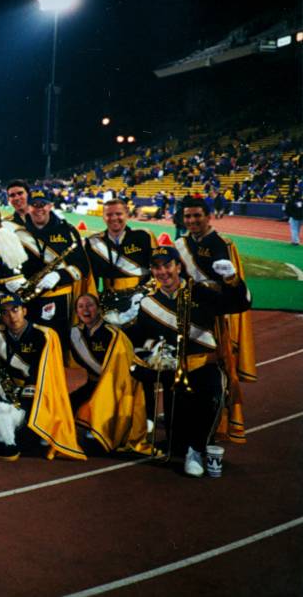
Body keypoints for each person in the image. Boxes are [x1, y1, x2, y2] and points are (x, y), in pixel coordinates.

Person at [127, 246, 251, 475]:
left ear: (178, 266)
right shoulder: (147, 303)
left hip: (204, 364)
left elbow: (239, 304)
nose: (163, 272)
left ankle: (197, 449)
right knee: (176, 440)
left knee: (211, 398)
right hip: (171, 370)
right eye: (157, 267)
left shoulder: (200, 292)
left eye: (167, 265)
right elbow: (142, 340)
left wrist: (230, 279)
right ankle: (184, 445)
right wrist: (152, 355)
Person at [175, 197, 257, 438]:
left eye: (197, 216)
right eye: (188, 216)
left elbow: (236, 290)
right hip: (190, 314)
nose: (192, 221)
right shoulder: (181, 243)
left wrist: (230, 280)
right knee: (185, 366)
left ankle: (221, 421)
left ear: (208, 216)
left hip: (217, 317)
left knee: (217, 368)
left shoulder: (224, 243)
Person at [0, 293, 84, 461]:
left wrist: (23, 393)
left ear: (24, 311)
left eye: (15, 310)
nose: (11, 316)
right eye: (5, 312)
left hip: (37, 391)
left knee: (28, 437)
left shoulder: (43, 335)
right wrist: (0, 387)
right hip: (6, 391)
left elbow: (46, 374)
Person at [14, 189, 91, 360]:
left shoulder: (68, 231)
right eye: (34, 205)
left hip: (59, 297)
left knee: (57, 344)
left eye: (43, 204)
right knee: (30, 343)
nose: (39, 209)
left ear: (50, 206)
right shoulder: (19, 233)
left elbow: (82, 267)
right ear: (28, 208)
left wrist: (60, 275)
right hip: (28, 297)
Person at [67, 294, 149, 454]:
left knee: (97, 443)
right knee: (67, 402)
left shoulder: (113, 333)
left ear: (99, 309)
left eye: (89, 305)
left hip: (116, 386)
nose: (85, 310)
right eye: (81, 306)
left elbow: (122, 369)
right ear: (76, 312)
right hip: (95, 383)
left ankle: (102, 432)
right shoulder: (74, 334)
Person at [85, 198, 154, 293]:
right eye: (109, 214)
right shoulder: (94, 242)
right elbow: (92, 276)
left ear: (127, 214)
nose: (114, 218)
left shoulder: (143, 236)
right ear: (103, 217)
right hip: (109, 298)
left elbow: (156, 267)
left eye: (118, 214)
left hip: (140, 294)